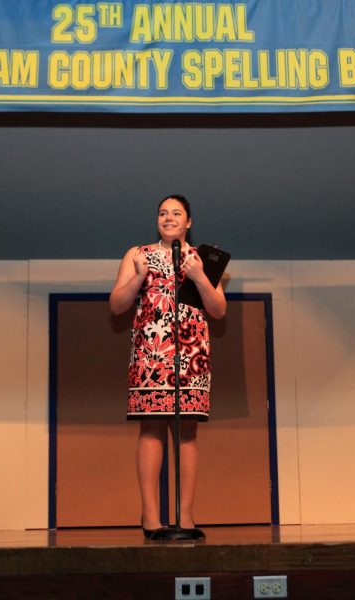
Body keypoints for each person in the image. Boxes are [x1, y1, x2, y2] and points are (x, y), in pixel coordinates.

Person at [109, 194, 226, 538]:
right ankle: (151, 518)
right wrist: (138, 278)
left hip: (191, 353)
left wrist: (200, 277)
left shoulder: (201, 259)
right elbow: (116, 305)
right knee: (152, 428)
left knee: (187, 431)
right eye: (163, 213)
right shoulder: (137, 254)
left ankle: (186, 518)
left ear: (189, 222)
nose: (169, 218)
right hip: (151, 353)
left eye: (177, 213)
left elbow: (219, 310)